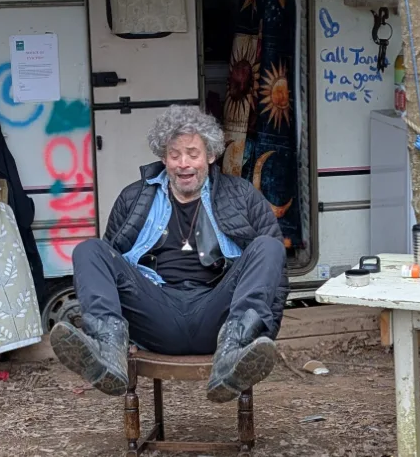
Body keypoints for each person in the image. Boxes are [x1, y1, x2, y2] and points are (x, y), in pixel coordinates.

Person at [50, 105, 289, 403]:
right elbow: (108, 271)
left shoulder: (240, 195)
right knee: (90, 250)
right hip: (155, 312)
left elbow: (276, 277)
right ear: (163, 158)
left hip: (218, 314)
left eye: (193, 153)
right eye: (175, 155)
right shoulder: (133, 197)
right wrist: (128, 337)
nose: (183, 164)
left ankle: (234, 352)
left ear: (211, 156)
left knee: (269, 246)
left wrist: (265, 335)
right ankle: (108, 349)